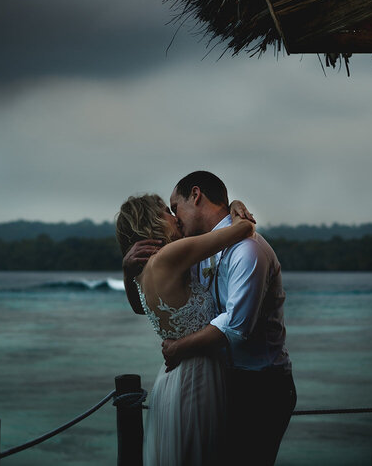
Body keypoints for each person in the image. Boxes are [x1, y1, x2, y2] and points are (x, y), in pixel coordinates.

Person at [123, 171, 295, 465]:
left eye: (175, 207)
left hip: (261, 387)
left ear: (196, 195)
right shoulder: (192, 251)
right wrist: (129, 271)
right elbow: (148, 302)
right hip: (218, 381)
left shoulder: (247, 250)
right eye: (168, 212)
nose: (175, 217)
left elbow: (238, 325)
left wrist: (181, 346)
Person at [115, 193, 255, 466]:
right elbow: (243, 229)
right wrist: (236, 206)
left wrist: (126, 272)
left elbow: (138, 308)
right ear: (152, 220)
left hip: (171, 381)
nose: (175, 217)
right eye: (167, 211)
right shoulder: (172, 256)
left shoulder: (141, 274)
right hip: (197, 377)